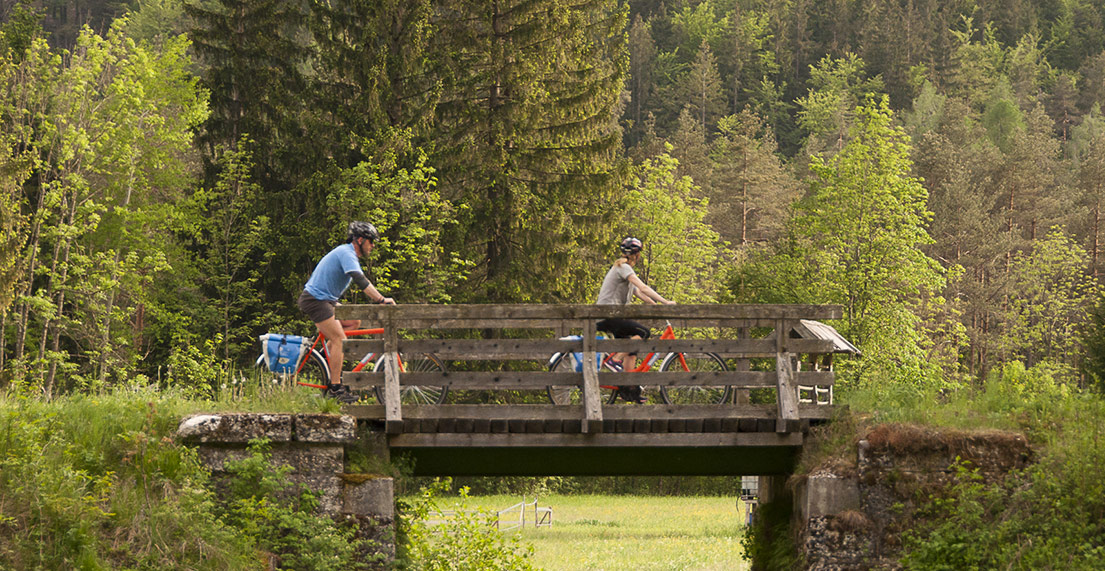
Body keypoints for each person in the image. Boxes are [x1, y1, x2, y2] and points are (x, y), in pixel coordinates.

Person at [298, 221, 395, 403]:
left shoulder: (348, 253)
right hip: (316, 300)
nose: (373, 246)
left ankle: (325, 360)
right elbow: (360, 279)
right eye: (371, 241)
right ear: (360, 240)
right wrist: (381, 300)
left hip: (326, 300)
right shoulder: (347, 253)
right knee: (340, 339)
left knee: (354, 322)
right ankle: (335, 388)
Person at [595, 236, 675, 403]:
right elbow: (643, 287)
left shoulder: (623, 270)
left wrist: (656, 307)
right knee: (643, 332)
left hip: (613, 315)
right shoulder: (623, 268)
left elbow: (639, 293)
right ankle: (614, 360)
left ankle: (629, 391)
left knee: (631, 351)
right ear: (636, 255)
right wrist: (665, 302)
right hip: (609, 315)